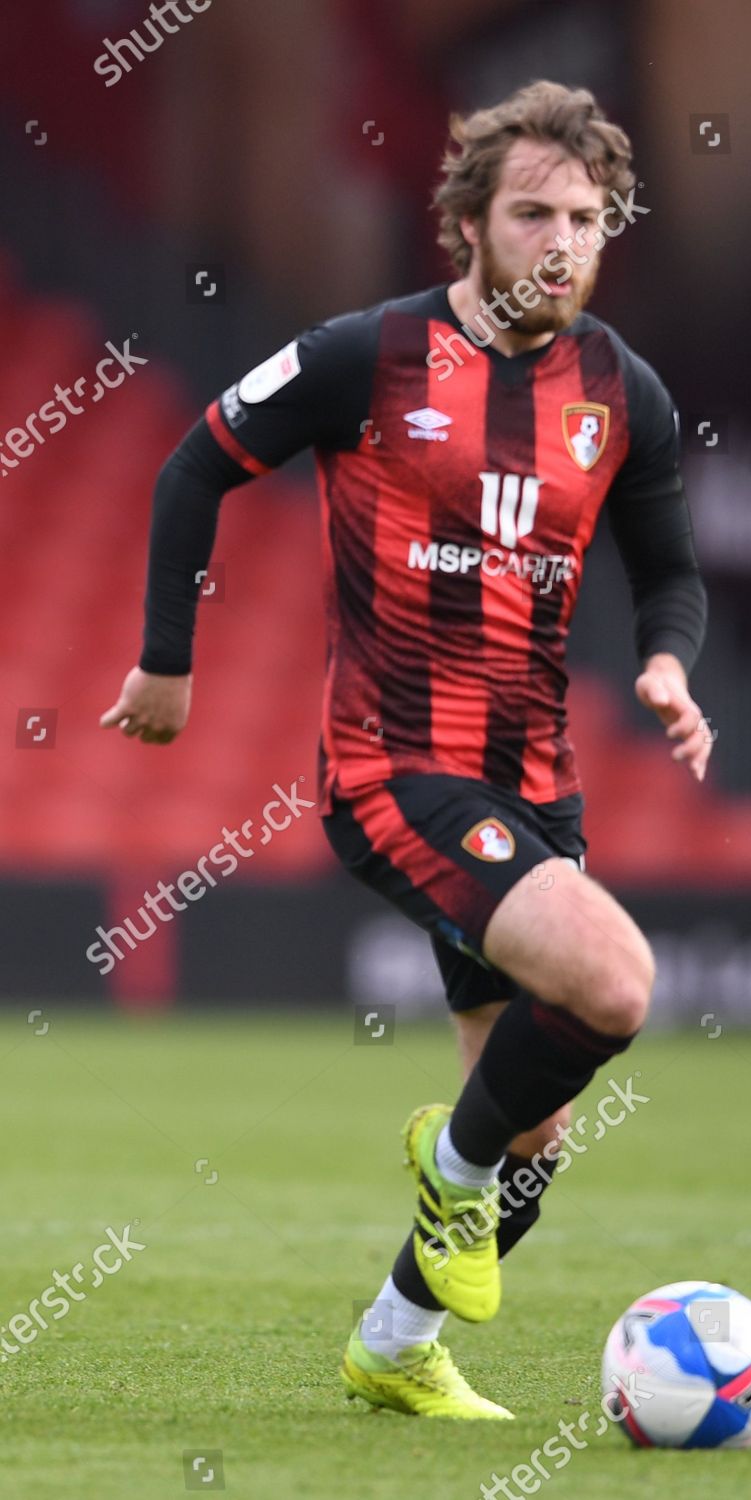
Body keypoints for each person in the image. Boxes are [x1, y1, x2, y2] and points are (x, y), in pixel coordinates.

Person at [102, 79, 711, 1420]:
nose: (562, 240)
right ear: (470, 227)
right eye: (533, 213)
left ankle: (392, 1343)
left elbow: (670, 568)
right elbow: (193, 466)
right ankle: (449, 1165)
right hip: (394, 771)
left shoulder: (623, 389)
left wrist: (668, 661)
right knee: (614, 985)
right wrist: (166, 658)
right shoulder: (366, 357)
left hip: (537, 783)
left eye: (588, 218)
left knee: (535, 1140)